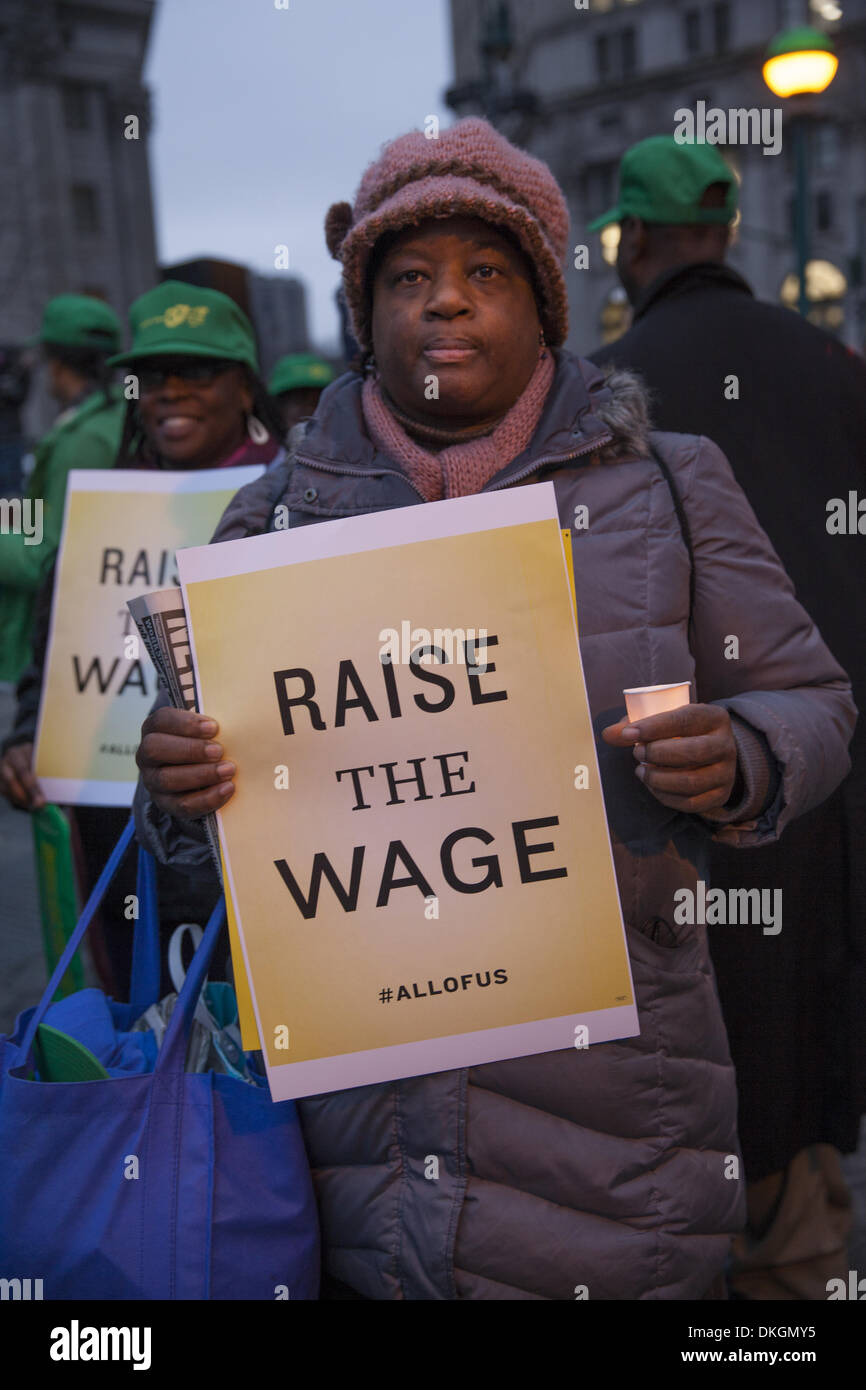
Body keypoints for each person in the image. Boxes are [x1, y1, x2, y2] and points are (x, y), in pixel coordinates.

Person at [132, 119, 856, 1300]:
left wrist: (739, 755)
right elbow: (196, 833)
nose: (447, 304)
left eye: (486, 272)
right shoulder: (266, 528)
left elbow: (812, 703)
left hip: (620, 1122)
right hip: (352, 1142)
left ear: (544, 306)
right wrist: (176, 791)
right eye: (408, 277)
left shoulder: (669, 481)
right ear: (363, 314)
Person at [588, 134, 866, 1300]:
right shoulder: (839, 367)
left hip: (668, 816)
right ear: (730, 234)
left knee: (690, 1079)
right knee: (801, 1088)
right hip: (823, 782)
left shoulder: (599, 396)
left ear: (628, 245)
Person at [0, 282, 285, 999]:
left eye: (196, 372)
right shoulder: (104, 503)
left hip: (252, 810)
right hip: (113, 821)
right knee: (144, 1004)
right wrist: (27, 738)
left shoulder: (302, 496)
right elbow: (55, 639)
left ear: (246, 387)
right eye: (152, 376)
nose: (169, 392)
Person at [0, 294, 124, 684]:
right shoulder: (113, 416)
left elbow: (48, 558)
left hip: (61, 641)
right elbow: (43, 513)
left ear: (55, 363)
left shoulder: (81, 439)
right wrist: (8, 514)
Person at [268, 353, 335, 433]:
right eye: (299, 400)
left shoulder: (344, 442)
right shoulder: (262, 443)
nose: (308, 409)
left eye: (317, 401)